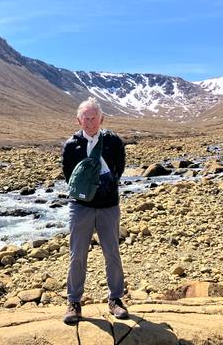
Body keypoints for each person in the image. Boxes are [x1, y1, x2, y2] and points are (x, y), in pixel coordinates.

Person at [61, 97, 128, 325]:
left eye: (93, 118)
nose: (89, 122)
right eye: (85, 118)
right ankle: (74, 302)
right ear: (78, 119)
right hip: (80, 207)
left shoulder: (113, 142)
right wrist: (86, 192)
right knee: (77, 254)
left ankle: (116, 299)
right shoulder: (71, 145)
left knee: (112, 253)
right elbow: (69, 176)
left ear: (101, 118)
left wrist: (105, 188)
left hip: (109, 206)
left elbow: (120, 168)